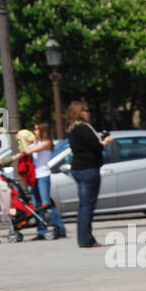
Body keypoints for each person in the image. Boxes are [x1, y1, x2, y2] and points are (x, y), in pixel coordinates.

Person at [64, 101, 112, 248]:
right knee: (87, 206)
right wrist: (106, 142)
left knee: (84, 205)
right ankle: (86, 240)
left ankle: (84, 238)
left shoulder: (72, 129)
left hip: (78, 168)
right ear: (79, 113)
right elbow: (96, 148)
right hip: (88, 169)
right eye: (85, 110)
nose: (88, 113)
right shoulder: (83, 128)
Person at [21, 121, 67, 240]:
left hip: (43, 176)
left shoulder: (46, 143)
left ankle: (60, 229)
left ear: (42, 130)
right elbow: (24, 151)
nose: (34, 131)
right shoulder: (36, 142)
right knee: (37, 205)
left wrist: (23, 139)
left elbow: (28, 151)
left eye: (36, 129)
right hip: (34, 176)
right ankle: (41, 231)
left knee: (46, 204)